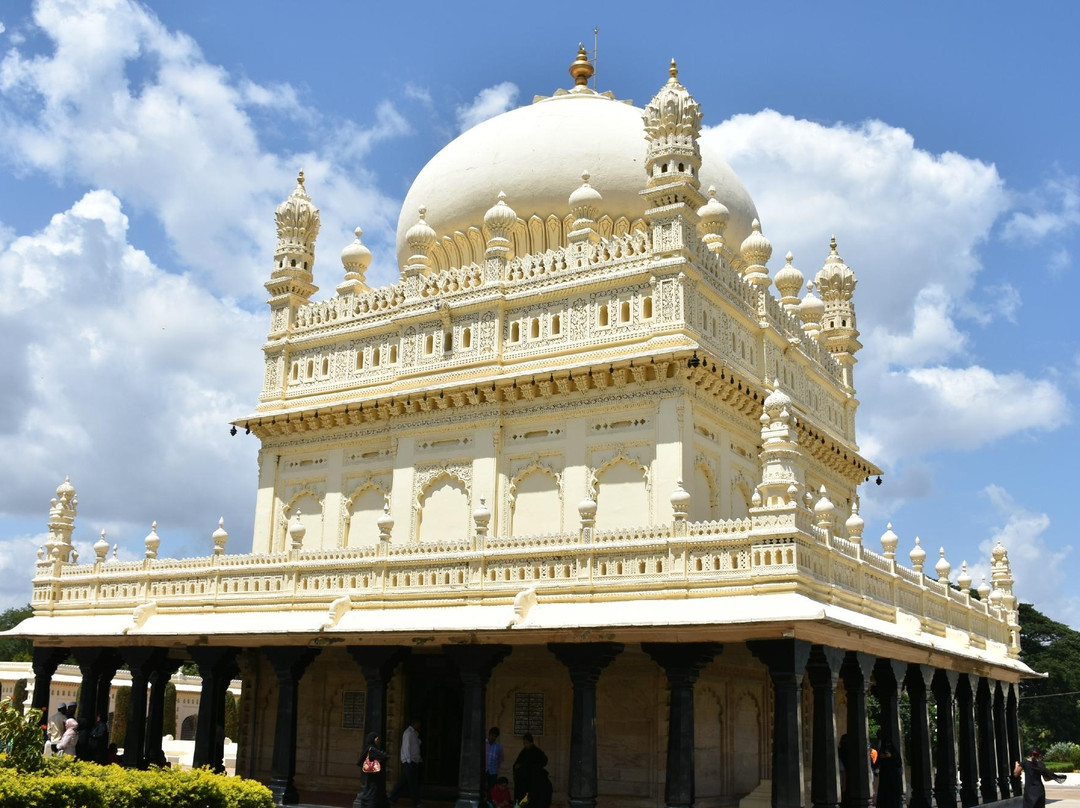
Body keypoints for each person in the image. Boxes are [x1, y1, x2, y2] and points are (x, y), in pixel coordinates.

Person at [389, 718, 422, 806]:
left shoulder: (414, 733)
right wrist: (408, 761)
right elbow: (406, 748)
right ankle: (416, 801)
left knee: (403, 781)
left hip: (414, 761)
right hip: (409, 762)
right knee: (412, 783)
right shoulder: (408, 733)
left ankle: (392, 797)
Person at [512, 733, 548, 805]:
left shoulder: (537, 752)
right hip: (522, 781)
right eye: (524, 743)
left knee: (530, 799)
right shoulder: (524, 751)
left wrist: (532, 767)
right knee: (520, 798)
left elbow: (544, 761)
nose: (525, 745)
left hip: (532, 781)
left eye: (527, 743)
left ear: (531, 743)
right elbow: (517, 763)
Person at [358, 731, 390, 808]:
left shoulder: (367, 749)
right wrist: (379, 759)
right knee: (372, 796)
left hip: (369, 778)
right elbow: (384, 756)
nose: (377, 740)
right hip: (373, 779)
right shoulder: (372, 749)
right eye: (376, 739)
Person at [485, 727, 504, 791]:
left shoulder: (498, 747)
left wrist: (496, 767)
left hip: (493, 772)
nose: (493, 738)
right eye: (492, 736)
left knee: (491, 789)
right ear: (489, 734)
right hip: (482, 771)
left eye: (495, 736)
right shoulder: (483, 743)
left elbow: (500, 759)